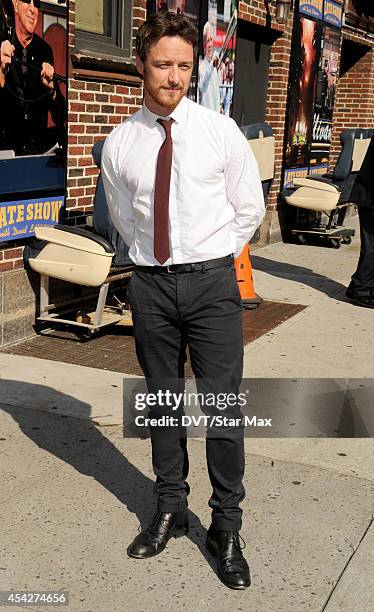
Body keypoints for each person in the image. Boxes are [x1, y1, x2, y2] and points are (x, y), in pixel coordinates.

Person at [101, 11, 265, 590]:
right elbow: (126, 217)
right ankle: (169, 506)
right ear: (141, 64)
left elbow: (249, 209)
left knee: (222, 408)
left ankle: (226, 525)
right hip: (150, 285)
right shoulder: (120, 143)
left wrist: (211, 257)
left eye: (183, 66)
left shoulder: (219, 132)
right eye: (163, 64)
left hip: (212, 284)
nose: (173, 77)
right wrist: (155, 261)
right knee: (162, 404)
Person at [0, 0, 65, 155]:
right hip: (5, 152)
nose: (32, 9)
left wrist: (52, 90)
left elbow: (60, 117)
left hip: (35, 154)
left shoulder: (45, 50)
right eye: (26, 1)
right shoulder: (2, 45)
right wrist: (0, 73)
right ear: (15, 4)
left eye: (36, 3)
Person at [346, 135, 374, 308]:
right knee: (372, 247)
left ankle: (357, 286)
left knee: (371, 246)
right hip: (370, 197)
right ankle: (362, 290)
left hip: (368, 194)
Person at [197, 21, 220, 112]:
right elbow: (202, 87)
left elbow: (217, 95)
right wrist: (212, 66)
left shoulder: (213, 68)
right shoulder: (202, 66)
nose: (210, 44)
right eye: (207, 41)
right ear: (203, 45)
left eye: (211, 40)